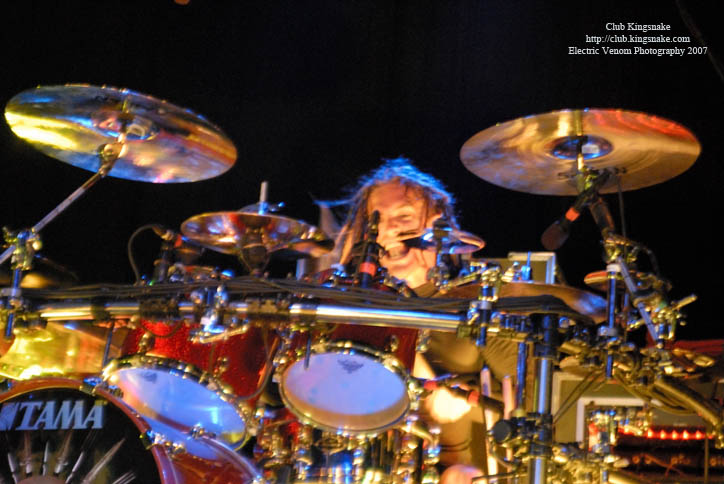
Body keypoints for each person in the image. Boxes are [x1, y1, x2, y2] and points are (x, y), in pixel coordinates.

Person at [335, 157, 493, 483]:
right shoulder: (350, 302)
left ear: (437, 223)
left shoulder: (475, 300)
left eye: (404, 216)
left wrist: (466, 400)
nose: (389, 229)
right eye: (378, 219)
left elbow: (523, 400)